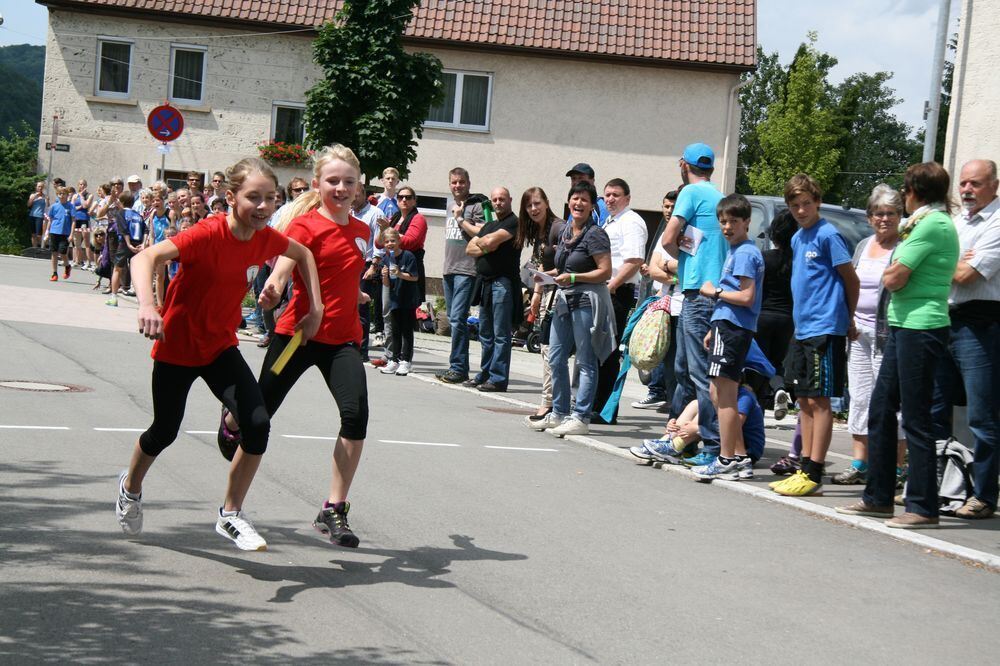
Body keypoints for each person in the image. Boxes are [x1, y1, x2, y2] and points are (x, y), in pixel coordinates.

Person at [115, 156, 322, 551]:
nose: (263, 207)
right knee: (165, 431)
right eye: (254, 198)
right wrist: (147, 305)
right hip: (177, 348)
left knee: (258, 422)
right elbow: (146, 257)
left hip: (219, 348)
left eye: (271, 199)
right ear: (230, 197)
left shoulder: (265, 238)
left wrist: (315, 307)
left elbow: (303, 254)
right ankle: (130, 487)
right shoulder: (207, 234)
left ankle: (230, 514)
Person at [220, 144, 372, 548]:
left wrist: (354, 295)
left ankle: (334, 509)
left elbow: (342, 273)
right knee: (259, 416)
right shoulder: (304, 227)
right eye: (332, 181)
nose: (341, 188)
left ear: (359, 186)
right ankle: (232, 425)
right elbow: (284, 269)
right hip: (298, 336)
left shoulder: (363, 230)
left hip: (343, 339)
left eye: (348, 182)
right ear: (319, 184)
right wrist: (273, 288)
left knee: (355, 417)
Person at [837, 162, 959, 528]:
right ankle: (878, 497)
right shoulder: (921, 224)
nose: (903, 198)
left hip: (922, 327)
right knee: (881, 407)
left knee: (917, 417)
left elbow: (893, 277)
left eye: (905, 192)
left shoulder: (932, 225)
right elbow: (895, 275)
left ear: (914, 192)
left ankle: (922, 506)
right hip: (903, 325)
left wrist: (897, 277)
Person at [770, 174, 859, 497]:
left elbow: (851, 280)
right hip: (803, 328)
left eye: (806, 203)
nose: (801, 210)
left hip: (826, 328)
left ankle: (815, 471)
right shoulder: (798, 238)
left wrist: (848, 318)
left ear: (817, 202)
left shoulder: (829, 235)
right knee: (804, 400)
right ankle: (804, 465)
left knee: (820, 401)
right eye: (795, 205)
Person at [930, 159, 1000, 519]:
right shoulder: (957, 223)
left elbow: (969, 276)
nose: (967, 191)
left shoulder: (997, 223)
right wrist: (951, 261)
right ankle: (937, 488)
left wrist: (946, 260)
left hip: (980, 323)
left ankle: (985, 495)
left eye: (975, 184)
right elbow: (942, 267)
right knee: (937, 408)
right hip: (946, 318)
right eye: (963, 184)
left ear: (994, 186)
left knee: (981, 414)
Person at [682, 194, 764, 480]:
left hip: (733, 329)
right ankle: (739, 455)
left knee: (725, 394)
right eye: (723, 221)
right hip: (725, 326)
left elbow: (746, 296)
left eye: (733, 221)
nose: (727, 227)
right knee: (718, 392)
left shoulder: (744, 253)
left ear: (747, 222)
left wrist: (713, 292)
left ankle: (727, 458)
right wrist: (713, 326)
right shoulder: (737, 250)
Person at [657, 143, 727, 467]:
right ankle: (679, 437)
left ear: (683, 164)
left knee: (698, 374)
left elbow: (669, 238)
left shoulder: (689, 193)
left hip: (697, 291)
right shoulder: (720, 196)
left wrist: (681, 257)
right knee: (688, 370)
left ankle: (711, 446)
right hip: (716, 293)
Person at [530, 181, 614, 437]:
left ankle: (581, 417)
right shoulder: (566, 230)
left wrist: (575, 279)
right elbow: (566, 268)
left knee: (586, 361)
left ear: (591, 206)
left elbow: (605, 271)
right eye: (575, 199)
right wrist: (546, 275)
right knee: (555, 356)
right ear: (568, 202)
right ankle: (559, 413)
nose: (578, 204)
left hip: (588, 300)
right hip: (565, 300)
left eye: (584, 200)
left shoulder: (596, 233)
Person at [834, 185, 906, 486]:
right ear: (869, 217)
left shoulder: (903, 246)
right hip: (858, 332)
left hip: (886, 333)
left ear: (900, 216)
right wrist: (848, 318)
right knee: (861, 397)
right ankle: (860, 462)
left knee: (888, 400)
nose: (885, 219)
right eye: (879, 213)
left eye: (891, 213)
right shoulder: (863, 246)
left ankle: (897, 466)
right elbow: (851, 283)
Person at [593, 178, 647, 423]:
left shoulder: (631, 221)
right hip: (605, 290)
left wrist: (612, 287)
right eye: (607, 195)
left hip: (617, 292)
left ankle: (605, 411)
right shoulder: (610, 221)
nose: (610, 199)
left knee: (608, 352)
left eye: (616, 195)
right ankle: (596, 404)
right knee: (598, 352)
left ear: (627, 198)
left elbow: (634, 259)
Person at [463, 187, 522, 392]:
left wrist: (485, 243)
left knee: (501, 334)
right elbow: (469, 249)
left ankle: (498, 379)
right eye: (495, 199)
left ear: (510, 200)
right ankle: (485, 373)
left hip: (502, 284)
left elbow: (485, 241)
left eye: (502, 199)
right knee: (485, 333)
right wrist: (487, 244)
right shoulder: (490, 224)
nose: (498, 202)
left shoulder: (513, 222)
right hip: (486, 284)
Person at [436, 167, 487, 384]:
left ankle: (458, 368)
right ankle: (457, 366)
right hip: (449, 268)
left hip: (467, 269)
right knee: (453, 318)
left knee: (458, 319)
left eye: (462, 182)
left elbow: (483, 231)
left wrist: (460, 219)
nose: (458, 186)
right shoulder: (450, 205)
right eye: (454, 182)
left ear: (469, 183)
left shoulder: (477, 205)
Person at [520, 187, 566, 422]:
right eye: (529, 206)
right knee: (547, 350)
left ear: (547, 202)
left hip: (560, 295)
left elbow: (568, 265)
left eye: (537, 203)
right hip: (546, 294)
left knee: (551, 351)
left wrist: (546, 281)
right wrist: (536, 294)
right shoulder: (541, 231)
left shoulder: (558, 227)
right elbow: (539, 266)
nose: (533, 209)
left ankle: (550, 403)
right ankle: (551, 402)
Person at [633, 189, 680, 411]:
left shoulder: (687, 232)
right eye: (666, 206)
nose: (669, 211)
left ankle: (670, 398)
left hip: (678, 302)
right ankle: (658, 392)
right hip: (662, 298)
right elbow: (654, 269)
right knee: (660, 349)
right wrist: (674, 274)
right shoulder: (665, 235)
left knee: (674, 356)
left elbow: (688, 272)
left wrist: (667, 268)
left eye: (674, 206)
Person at [750, 211, 797, 422]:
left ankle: (756, 418)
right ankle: (779, 387)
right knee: (775, 361)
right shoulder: (797, 263)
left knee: (756, 368)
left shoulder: (764, 258)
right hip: (787, 320)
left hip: (763, 317)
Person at [354, 183, 388, 362]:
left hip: (366, 266)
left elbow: (379, 243)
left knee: (361, 308)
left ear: (364, 195)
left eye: (356, 194)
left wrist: (374, 266)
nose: (353, 198)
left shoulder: (375, 213)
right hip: (350, 265)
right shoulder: (349, 212)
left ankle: (361, 350)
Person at [379, 228, 420, 375]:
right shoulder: (386, 258)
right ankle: (394, 360)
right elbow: (386, 284)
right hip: (394, 298)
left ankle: (406, 361)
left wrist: (400, 274)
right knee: (395, 330)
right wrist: (384, 276)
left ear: (399, 241)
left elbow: (415, 277)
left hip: (407, 298)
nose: (390, 243)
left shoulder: (408, 256)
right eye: (387, 241)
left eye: (393, 241)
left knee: (406, 331)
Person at [106, 191, 145, 307]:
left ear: (121, 202)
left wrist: (128, 244)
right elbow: (146, 230)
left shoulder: (121, 213)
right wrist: (142, 244)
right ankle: (141, 298)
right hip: (138, 243)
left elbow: (124, 229)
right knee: (137, 271)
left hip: (125, 243)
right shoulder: (138, 215)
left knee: (117, 269)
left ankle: (113, 297)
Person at [45, 187, 74, 282]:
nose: (61, 195)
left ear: (67, 195)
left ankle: (67, 266)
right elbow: (51, 220)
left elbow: (73, 221)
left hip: (65, 233)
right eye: (59, 194)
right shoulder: (54, 206)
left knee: (62, 252)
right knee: (54, 253)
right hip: (54, 232)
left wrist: (71, 235)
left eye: (63, 194)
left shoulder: (70, 206)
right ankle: (54, 273)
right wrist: (47, 232)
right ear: (57, 195)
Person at [71, 180, 93, 268]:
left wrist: (81, 197)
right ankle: (77, 261)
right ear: (78, 185)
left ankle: (88, 262)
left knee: (86, 242)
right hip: (76, 219)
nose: (82, 186)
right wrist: (79, 206)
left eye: (84, 184)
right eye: (80, 184)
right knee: (77, 242)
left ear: (86, 185)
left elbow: (85, 205)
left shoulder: (89, 195)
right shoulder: (74, 195)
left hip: (84, 220)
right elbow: (72, 207)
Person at [28, 181, 47, 249]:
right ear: (36, 187)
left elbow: (48, 206)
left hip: (40, 216)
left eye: (41, 186)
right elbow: (28, 205)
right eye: (39, 186)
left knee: (39, 235)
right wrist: (34, 197)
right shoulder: (33, 195)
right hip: (32, 215)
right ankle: (34, 248)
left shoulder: (45, 196)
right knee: (33, 234)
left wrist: (47, 200)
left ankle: (39, 247)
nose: (40, 188)